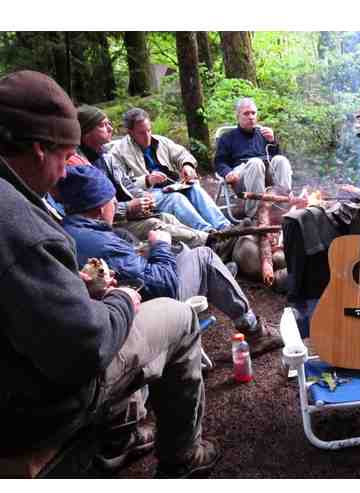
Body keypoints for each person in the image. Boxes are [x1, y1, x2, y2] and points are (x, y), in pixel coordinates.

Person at [0, 70, 217, 478]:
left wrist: (70, 287)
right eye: (65, 159)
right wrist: (122, 299)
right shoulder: (17, 223)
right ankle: (182, 457)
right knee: (179, 316)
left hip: (19, 375)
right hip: (35, 406)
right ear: (38, 150)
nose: (65, 175)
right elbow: (87, 346)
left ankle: (123, 434)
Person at [58, 164, 281, 349]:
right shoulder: (99, 242)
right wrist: (160, 246)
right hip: (141, 310)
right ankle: (255, 332)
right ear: (99, 207)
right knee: (204, 256)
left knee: (184, 250)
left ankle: (218, 269)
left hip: (117, 306)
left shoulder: (71, 230)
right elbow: (162, 285)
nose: (115, 206)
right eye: (112, 202)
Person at [68, 105, 212, 247]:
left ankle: (216, 232)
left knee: (169, 215)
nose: (110, 129)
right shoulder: (79, 164)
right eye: (102, 125)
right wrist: (131, 203)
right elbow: (92, 210)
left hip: (141, 205)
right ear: (86, 132)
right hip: (111, 223)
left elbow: (126, 184)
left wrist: (144, 197)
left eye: (149, 130)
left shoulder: (106, 156)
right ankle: (212, 240)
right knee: (158, 219)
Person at [108, 107, 231, 232]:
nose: (147, 136)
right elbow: (121, 185)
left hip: (172, 185)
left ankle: (225, 227)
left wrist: (187, 165)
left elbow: (181, 154)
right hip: (146, 195)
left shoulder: (161, 141)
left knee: (194, 188)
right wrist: (147, 180)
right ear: (130, 132)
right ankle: (208, 233)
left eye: (149, 130)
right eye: (141, 133)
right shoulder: (118, 153)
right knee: (175, 198)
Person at [214, 97, 293, 219]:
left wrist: (273, 141)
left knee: (281, 160)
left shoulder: (263, 134)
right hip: (242, 177)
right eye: (246, 113)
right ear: (238, 116)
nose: (251, 117)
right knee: (256, 163)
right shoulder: (227, 137)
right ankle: (255, 212)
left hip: (265, 174)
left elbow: (276, 156)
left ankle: (283, 206)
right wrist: (227, 173)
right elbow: (220, 162)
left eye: (253, 113)